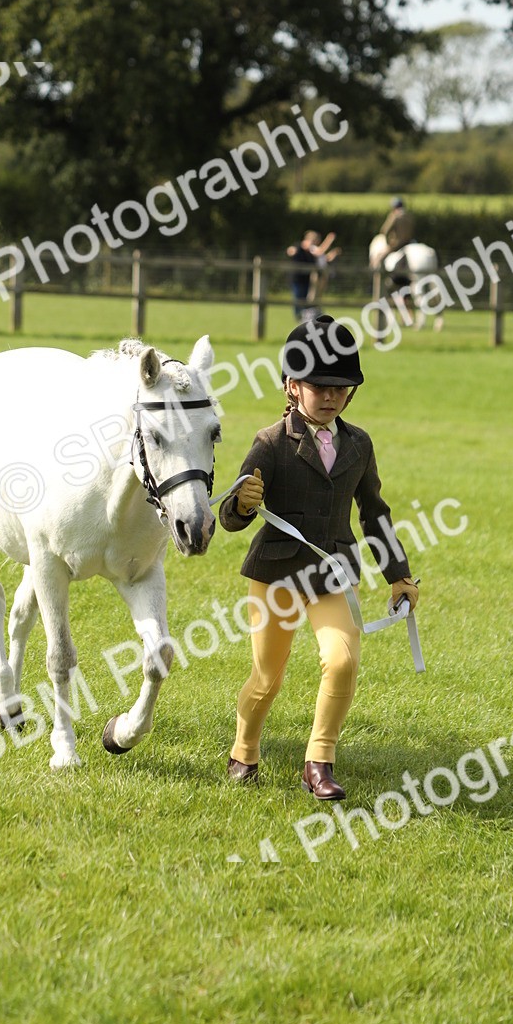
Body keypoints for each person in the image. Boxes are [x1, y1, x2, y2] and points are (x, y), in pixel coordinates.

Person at [219, 315, 420, 798]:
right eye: (317, 386)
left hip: (332, 572)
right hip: (275, 576)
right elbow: (231, 513)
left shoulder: (359, 444)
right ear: (292, 386)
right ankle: (244, 750)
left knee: (343, 659)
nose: (330, 396)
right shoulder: (269, 442)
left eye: (340, 387)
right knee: (268, 678)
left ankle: (319, 762)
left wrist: (399, 575)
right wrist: (242, 503)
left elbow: (374, 513)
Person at [287, 230, 340, 321]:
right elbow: (320, 251)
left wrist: (333, 254)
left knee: (310, 297)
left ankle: (309, 315)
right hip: (298, 278)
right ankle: (300, 316)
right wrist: (329, 239)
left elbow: (323, 257)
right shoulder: (301, 246)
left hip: (309, 278)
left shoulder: (311, 249)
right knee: (300, 298)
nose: (317, 243)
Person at [378, 197, 416, 274]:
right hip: (410, 242)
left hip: (398, 244)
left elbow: (385, 231)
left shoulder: (395, 216)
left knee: (379, 259)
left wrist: (388, 243)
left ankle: (384, 278)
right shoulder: (409, 216)